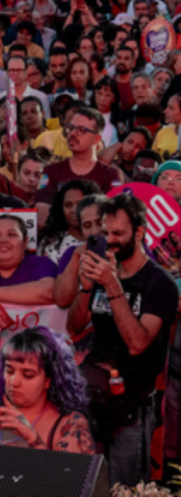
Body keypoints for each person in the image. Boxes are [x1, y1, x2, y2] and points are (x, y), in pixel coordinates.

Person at [67, 195, 179, 486]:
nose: (110, 241)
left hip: (133, 406)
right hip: (91, 397)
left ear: (139, 233)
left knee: (124, 487)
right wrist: (85, 287)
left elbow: (138, 344)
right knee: (84, 484)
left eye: (119, 233)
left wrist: (113, 287)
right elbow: (74, 326)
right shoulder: (101, 268)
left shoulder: (159, 283)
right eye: (105, 233)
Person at [0, 327, 95, 486]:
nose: (14, 382)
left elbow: (72, 489)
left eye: (28, 375)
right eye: (9, 371)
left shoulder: (70, 423)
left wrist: (31, 437)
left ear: (49, 380)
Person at [36, 107, 125, 226]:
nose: (72, 133)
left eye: (81, 130)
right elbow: (41, 213)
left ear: (96, 139)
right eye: (71, 128)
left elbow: (112, 215)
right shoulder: (50, 171)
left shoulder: (111, 175)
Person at [37, 180, 102, 264]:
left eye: (80, 204)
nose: (73, 210)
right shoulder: (50, 242)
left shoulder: (105, 238)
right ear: (61, 208)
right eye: (68, 205)